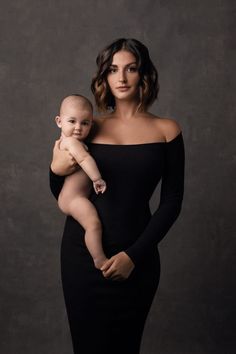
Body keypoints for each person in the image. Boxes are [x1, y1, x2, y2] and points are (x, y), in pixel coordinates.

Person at [49, 38, 185, 354]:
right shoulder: (87, 126)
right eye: (113, 70)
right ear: (104, 77)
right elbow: (61, 192)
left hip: (137, 258)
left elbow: (172, 201)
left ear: (144, 75)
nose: (121, 78)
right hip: (82, 258)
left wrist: (133, 256)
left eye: (131, 69)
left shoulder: (167, 130)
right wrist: (57, 165)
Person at [55, 94, 108, 269]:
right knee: (93, 225)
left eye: (85, 123)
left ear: (91, 125)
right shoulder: (71, 142)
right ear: (59, 121)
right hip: (73, 199)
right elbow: (84, 159)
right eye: (72, 121)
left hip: (72, 196)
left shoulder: (67, 141)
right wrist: (97, 178)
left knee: (92, 224)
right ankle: (99, 258)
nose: (78, 128)